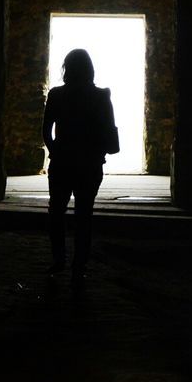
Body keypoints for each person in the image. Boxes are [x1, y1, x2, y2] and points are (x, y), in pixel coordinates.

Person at [41, 48, 119, 284]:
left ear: (67, 68)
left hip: (62, 163)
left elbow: (46, 130)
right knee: (84, 214)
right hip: (89, 164)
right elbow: (109, 132)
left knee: (56, 212)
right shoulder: (101, 96)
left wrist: (56, 151)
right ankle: (79, 265)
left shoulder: (56, 95)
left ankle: (58, 260)